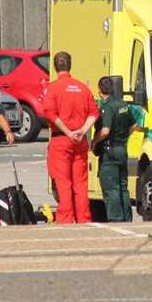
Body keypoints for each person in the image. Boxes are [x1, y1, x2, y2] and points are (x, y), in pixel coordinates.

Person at [42, 51, 100, 224]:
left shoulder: (52, 88)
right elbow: (94, 113)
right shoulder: (83, 88)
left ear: (54, 66)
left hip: (62, 140)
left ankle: (66, 219)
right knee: (81, 184)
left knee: (63, 182)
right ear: (70, 65)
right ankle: (83, 218)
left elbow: (50, 114)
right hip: (80, 140)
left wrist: (68, 132)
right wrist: (82, 130)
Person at [90, 76, 137, 222]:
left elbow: (105, 131)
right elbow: (134, 125)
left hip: (109, 152)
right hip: (121, 149)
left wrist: (94, 141)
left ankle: (116, 219)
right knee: (123, 186)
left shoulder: (107, 107)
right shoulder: (122, 104)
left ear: (99, 90)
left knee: (111, 188)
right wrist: (123, 137)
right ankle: (127, 218)